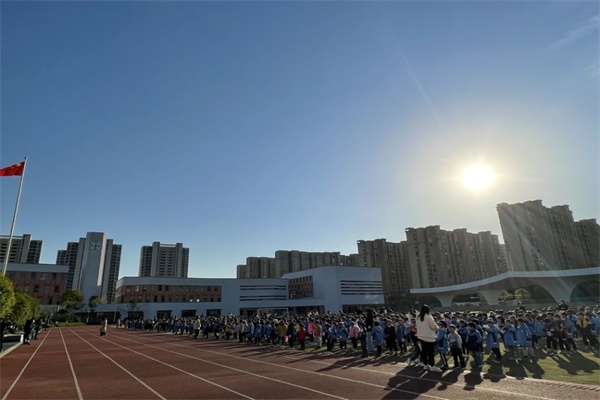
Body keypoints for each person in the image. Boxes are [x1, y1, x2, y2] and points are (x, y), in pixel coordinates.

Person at [415, 305, 441, 372]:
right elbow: (433, 326)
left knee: (423, 352)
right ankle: (432, 366)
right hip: (429, 337)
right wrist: (438, 327)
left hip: (420, 336)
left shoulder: (418, 317)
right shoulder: (428, 317)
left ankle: (425, 365)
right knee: (430, 353)